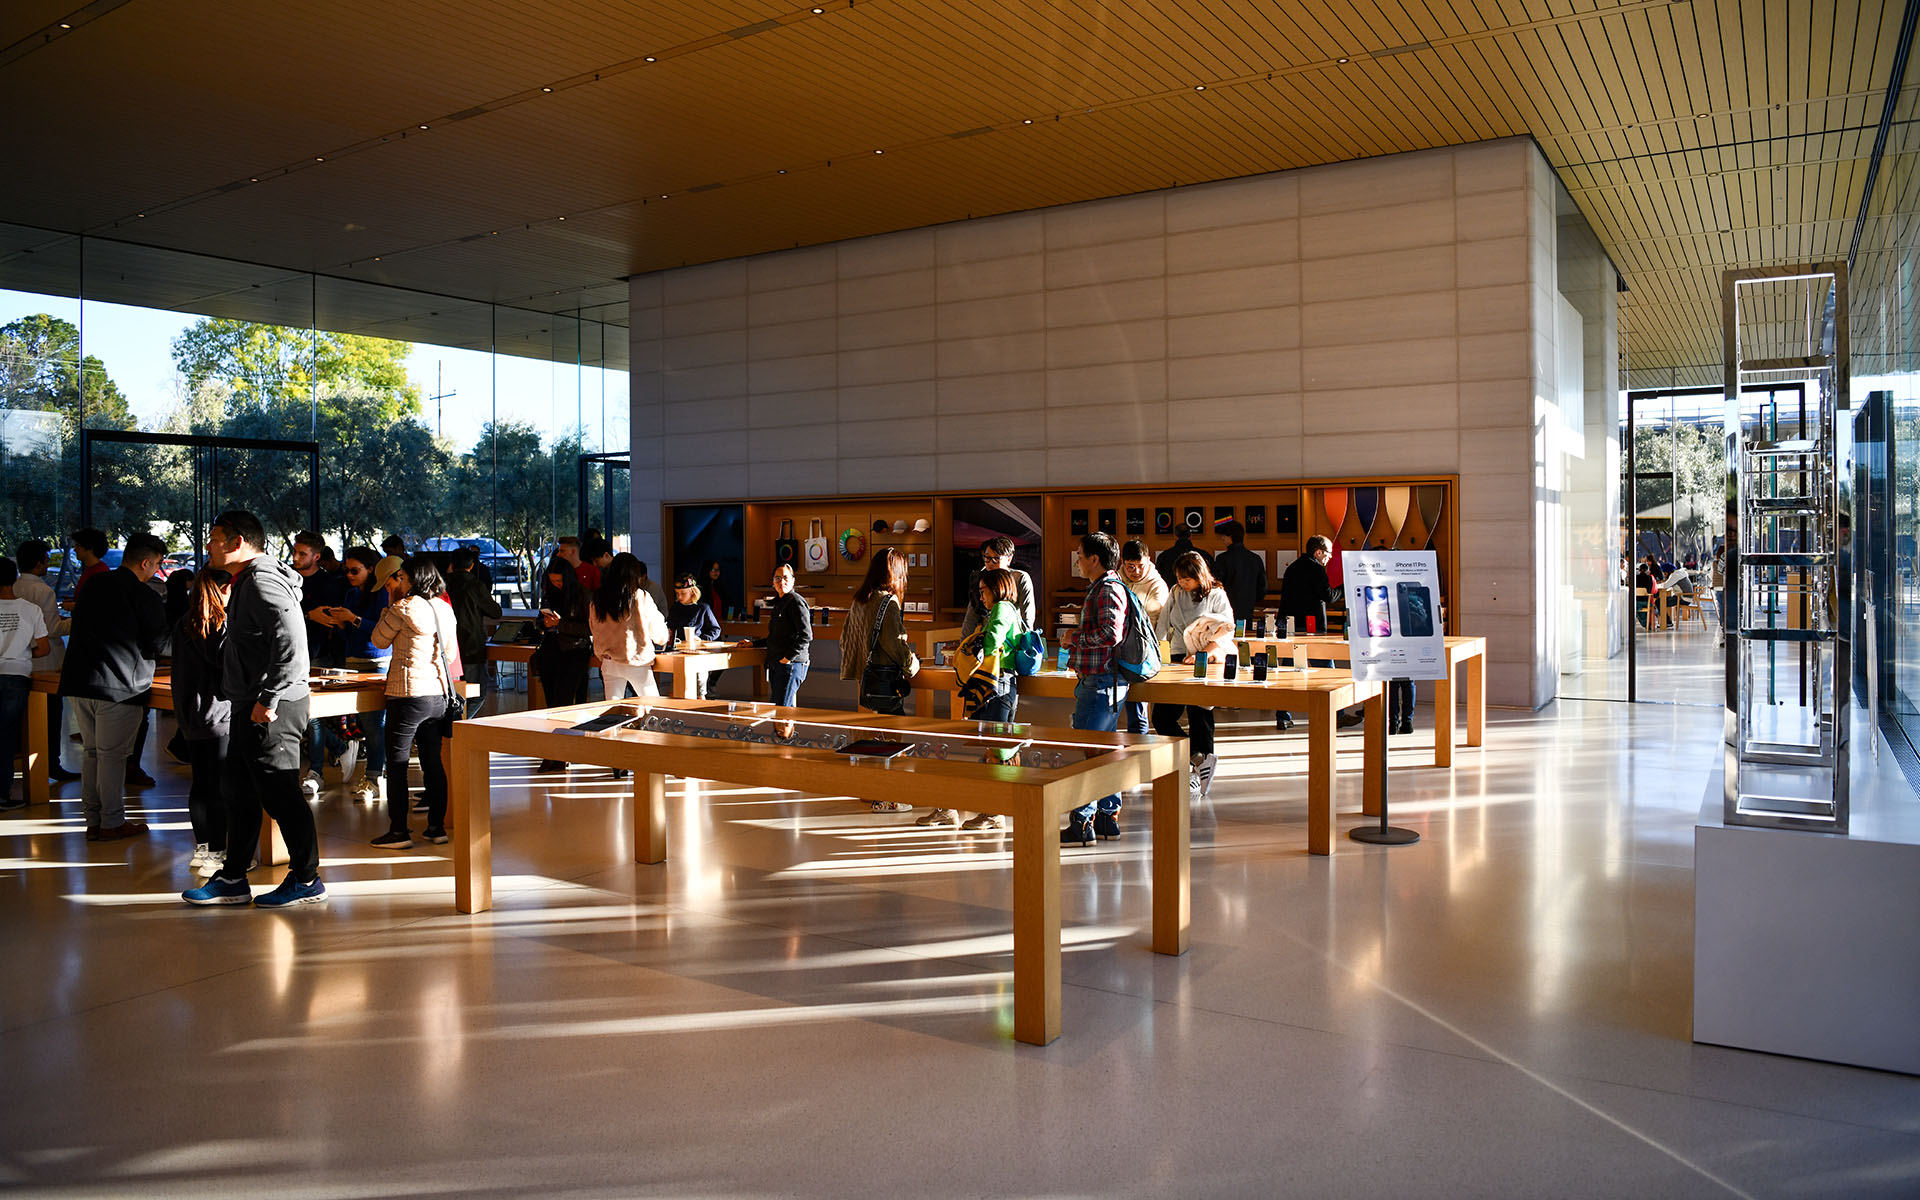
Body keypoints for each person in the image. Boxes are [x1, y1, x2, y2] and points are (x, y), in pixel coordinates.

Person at [182, 509, 326, 908]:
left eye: (214, 538)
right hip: (250, 704)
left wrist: (268, 698)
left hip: (272, 709)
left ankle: (307, 879)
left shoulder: (262, 582)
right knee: (239, 792)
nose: (208, 546)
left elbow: (294, 647)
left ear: (237, 543)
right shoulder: (247, 581)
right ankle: (233, 878)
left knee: (281, 796)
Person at [58, 532, 170, 840]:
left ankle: (93, 820)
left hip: (80, 681)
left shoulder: (94, 584)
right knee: (111, 756)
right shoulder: (144, 595)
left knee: (92, 753)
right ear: (145, 562)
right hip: (120, 686)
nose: (157, 570)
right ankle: (111, 822)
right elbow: (162, 643)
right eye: (157, 564)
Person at [368, 556, 461, 849]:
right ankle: (436, 828)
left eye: (404, 578)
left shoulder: (403, 607)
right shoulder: (444, 608)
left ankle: (399, 831)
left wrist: (389, 604)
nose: (401, 583)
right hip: (438, 695)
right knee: (433, 762)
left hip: (407, 695)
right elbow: (451, 652)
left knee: (397, 764)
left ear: (414, 580)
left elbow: (379, 641)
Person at [925, 567, 1024, 831]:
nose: (981, 597)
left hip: (998, 684)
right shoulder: (1007, 609)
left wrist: (974, 647)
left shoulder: (1002, 608)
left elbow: (992, 642)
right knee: (997, 745)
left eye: (984, 591)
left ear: (997, 589)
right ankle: (993, 808)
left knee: (997, 746)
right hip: (1002, 684)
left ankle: (994, 811)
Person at [1062, 532, 1130, 845]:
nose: (1077, 560)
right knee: (1103, 751)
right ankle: (1106, 818)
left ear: (1094, 559)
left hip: (1100, 681)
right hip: (1105, 681)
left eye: (1079, 555)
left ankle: (1082, 821)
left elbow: (1110, 634)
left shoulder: (1107, 589)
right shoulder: (1108, 586)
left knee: (1092, 753)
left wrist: (1074, 638)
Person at [840, 549, 919, 813]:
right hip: (886, 682)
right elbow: (896, 646)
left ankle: (869, 792)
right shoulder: (888, 603)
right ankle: (889, 797)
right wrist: (913, 664)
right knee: (894, 739)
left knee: (867, 737)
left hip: (864, 682)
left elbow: (845, 640)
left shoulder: (860, 599)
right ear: (895, 573)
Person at [1154, 552, 1235, 802]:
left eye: (1186, 579)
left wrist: (1205, 653)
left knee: (1200, 713)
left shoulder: (1216, 594)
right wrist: (1159, 649)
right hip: (1178, 658)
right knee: (1162, 716)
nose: (1181, 583)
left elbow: (1227, 628)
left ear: (1199, 576)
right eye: (1178, 578)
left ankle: (1202, 770)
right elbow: (1164, 623)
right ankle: (1198, 758)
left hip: (1205, 660)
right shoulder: (1176, 593)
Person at [170, 568, 233, 874]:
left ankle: (203, 847)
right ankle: (218, 853)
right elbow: (226, 669)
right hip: (218, 712)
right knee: (220, 785)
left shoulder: (184, 622)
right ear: (224, 589)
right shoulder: (221, 624)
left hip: (190, 713)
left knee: (201, 783)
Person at [321, 547, 392, 802]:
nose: (349, 575)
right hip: (353, 661)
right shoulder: (351, 594)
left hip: (377, 661)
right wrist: (341, 623)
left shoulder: (382, 594)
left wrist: (354, 619)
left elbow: (382, 631)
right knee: (365, 722)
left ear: (370, 569)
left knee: (375, 725)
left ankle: (374, 777)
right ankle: (373, 775)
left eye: (355, 570)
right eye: (347, 570)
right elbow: (349, 636)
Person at [13, 540, 76, 782]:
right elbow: (53, 628)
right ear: (40, 563)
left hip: (22, 657)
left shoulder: (15, 587)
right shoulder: (43, 591)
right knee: (51, 715)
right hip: (47, 660)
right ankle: (52, 764)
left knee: (26, 717)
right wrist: (77, 619)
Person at [291, 530, 348, 797]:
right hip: (290, 654)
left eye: (302, 553)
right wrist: (308, 615)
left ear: (316, 557)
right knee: (304, 716)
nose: (295, 557)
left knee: (313, 716)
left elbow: (334, 621)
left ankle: (316, 771)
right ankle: (338, 746)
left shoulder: (329, 584)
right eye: (295, 551)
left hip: (318, 654)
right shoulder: (286, 580)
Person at [0, 557, 53, 812]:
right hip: (17, 674)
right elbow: (43, 648)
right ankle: (2, 793)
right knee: (7, 736)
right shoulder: (31, 609)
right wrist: (18, 653)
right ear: (14, 579)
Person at [533, 557, 594, 771]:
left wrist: (561, 624)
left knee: (564, 703)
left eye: (559, 581)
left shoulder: (583, 595)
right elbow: (539, 620)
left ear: (567, 578)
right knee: (551, 705)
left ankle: (562, 752)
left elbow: (590, 628)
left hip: (574, 652)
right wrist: (544, 623)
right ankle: (553, 752)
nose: (556, 585)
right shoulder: (550, 594)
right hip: (551, 650)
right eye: (553, 581)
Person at [1278, 536, 1341, 730]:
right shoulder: (1316, 569)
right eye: (1328, 553)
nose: (1330, 557)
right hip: (1313, 629)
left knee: (1288, 672)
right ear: (1319, 552)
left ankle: (1282, 716)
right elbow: (1328, 596)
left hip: (1292, 628)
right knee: (1327, 671)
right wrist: (1344, 589)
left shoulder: (1292, 568)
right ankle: (1337, 714)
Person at [588, 553, 668, 702]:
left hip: (609, 661)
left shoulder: (598, 598)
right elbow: (658, 632)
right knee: (654, 707)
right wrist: (665, 637)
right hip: (635, 660)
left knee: (612, 710)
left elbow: (593, 627)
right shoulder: (639, 596)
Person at [1118, 540, 1168, 735]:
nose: (1136, 571)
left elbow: (1158, 620)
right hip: (1117, 650)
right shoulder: (1116, 580)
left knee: (1137, 706)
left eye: (1141, 566)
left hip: (1142, 651)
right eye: (1130, 566)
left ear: (1149, 561)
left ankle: (1139, 748)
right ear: (1122, 562)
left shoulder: (1158, 585)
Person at [445, 547, 502, 718]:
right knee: (477, 693)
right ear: (471, 566)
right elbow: (495, 612)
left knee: (450, 694)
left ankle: (451, 726)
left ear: (451, 565)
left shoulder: (442, 585)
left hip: (447, 647)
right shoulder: (475, 586)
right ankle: (457, 725)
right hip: (471, 646)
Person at [749, 563, 810, 707]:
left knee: (782, 709)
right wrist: (753, 644)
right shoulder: (779, 603)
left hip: (790, 664)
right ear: (773, 582)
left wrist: (787, 658)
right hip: (777, 663)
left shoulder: (795, 601)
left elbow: (806, 635)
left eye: (785, 578)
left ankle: (786, 730)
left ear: (793, 580)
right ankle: (786, 730)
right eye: (777, 578)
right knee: (779, 708)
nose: (782, 582)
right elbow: (776, 637)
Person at [959, 537, 1037, 639]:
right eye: (987, 558)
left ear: (1009, 559)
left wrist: (1026, 642)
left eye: (996, 559)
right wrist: (963, 646)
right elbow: (971, 617)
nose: (990, 563)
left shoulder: (1020, 578)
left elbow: (1027, 615)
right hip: (989, 637)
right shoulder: (980, 578)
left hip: (1013, 638)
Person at [665, 572, 722, 698]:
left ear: (692, 591)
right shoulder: (675, 608)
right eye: (677, 593)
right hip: (679, 653)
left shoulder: (703, 608)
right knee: (676, 688)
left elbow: (716, 630)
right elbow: (670, 627)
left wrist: (701, 639)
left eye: (683, 593)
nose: (679, 597)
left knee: (700, 686)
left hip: (698, 652)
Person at [1212, 520, 1267, 629]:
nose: (1222, 538)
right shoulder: (1255, 559)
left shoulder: (1222, 559)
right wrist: (1250, 600)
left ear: (1230, 536)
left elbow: (1216, 586)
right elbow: (1263, 588)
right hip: (1248, 611)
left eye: (1224, 536)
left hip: (1226, 612)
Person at [70, 527, 110, 594]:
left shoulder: (100, 574)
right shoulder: (91, 570)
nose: (75, 549)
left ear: (90, 549)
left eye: (78, 546)